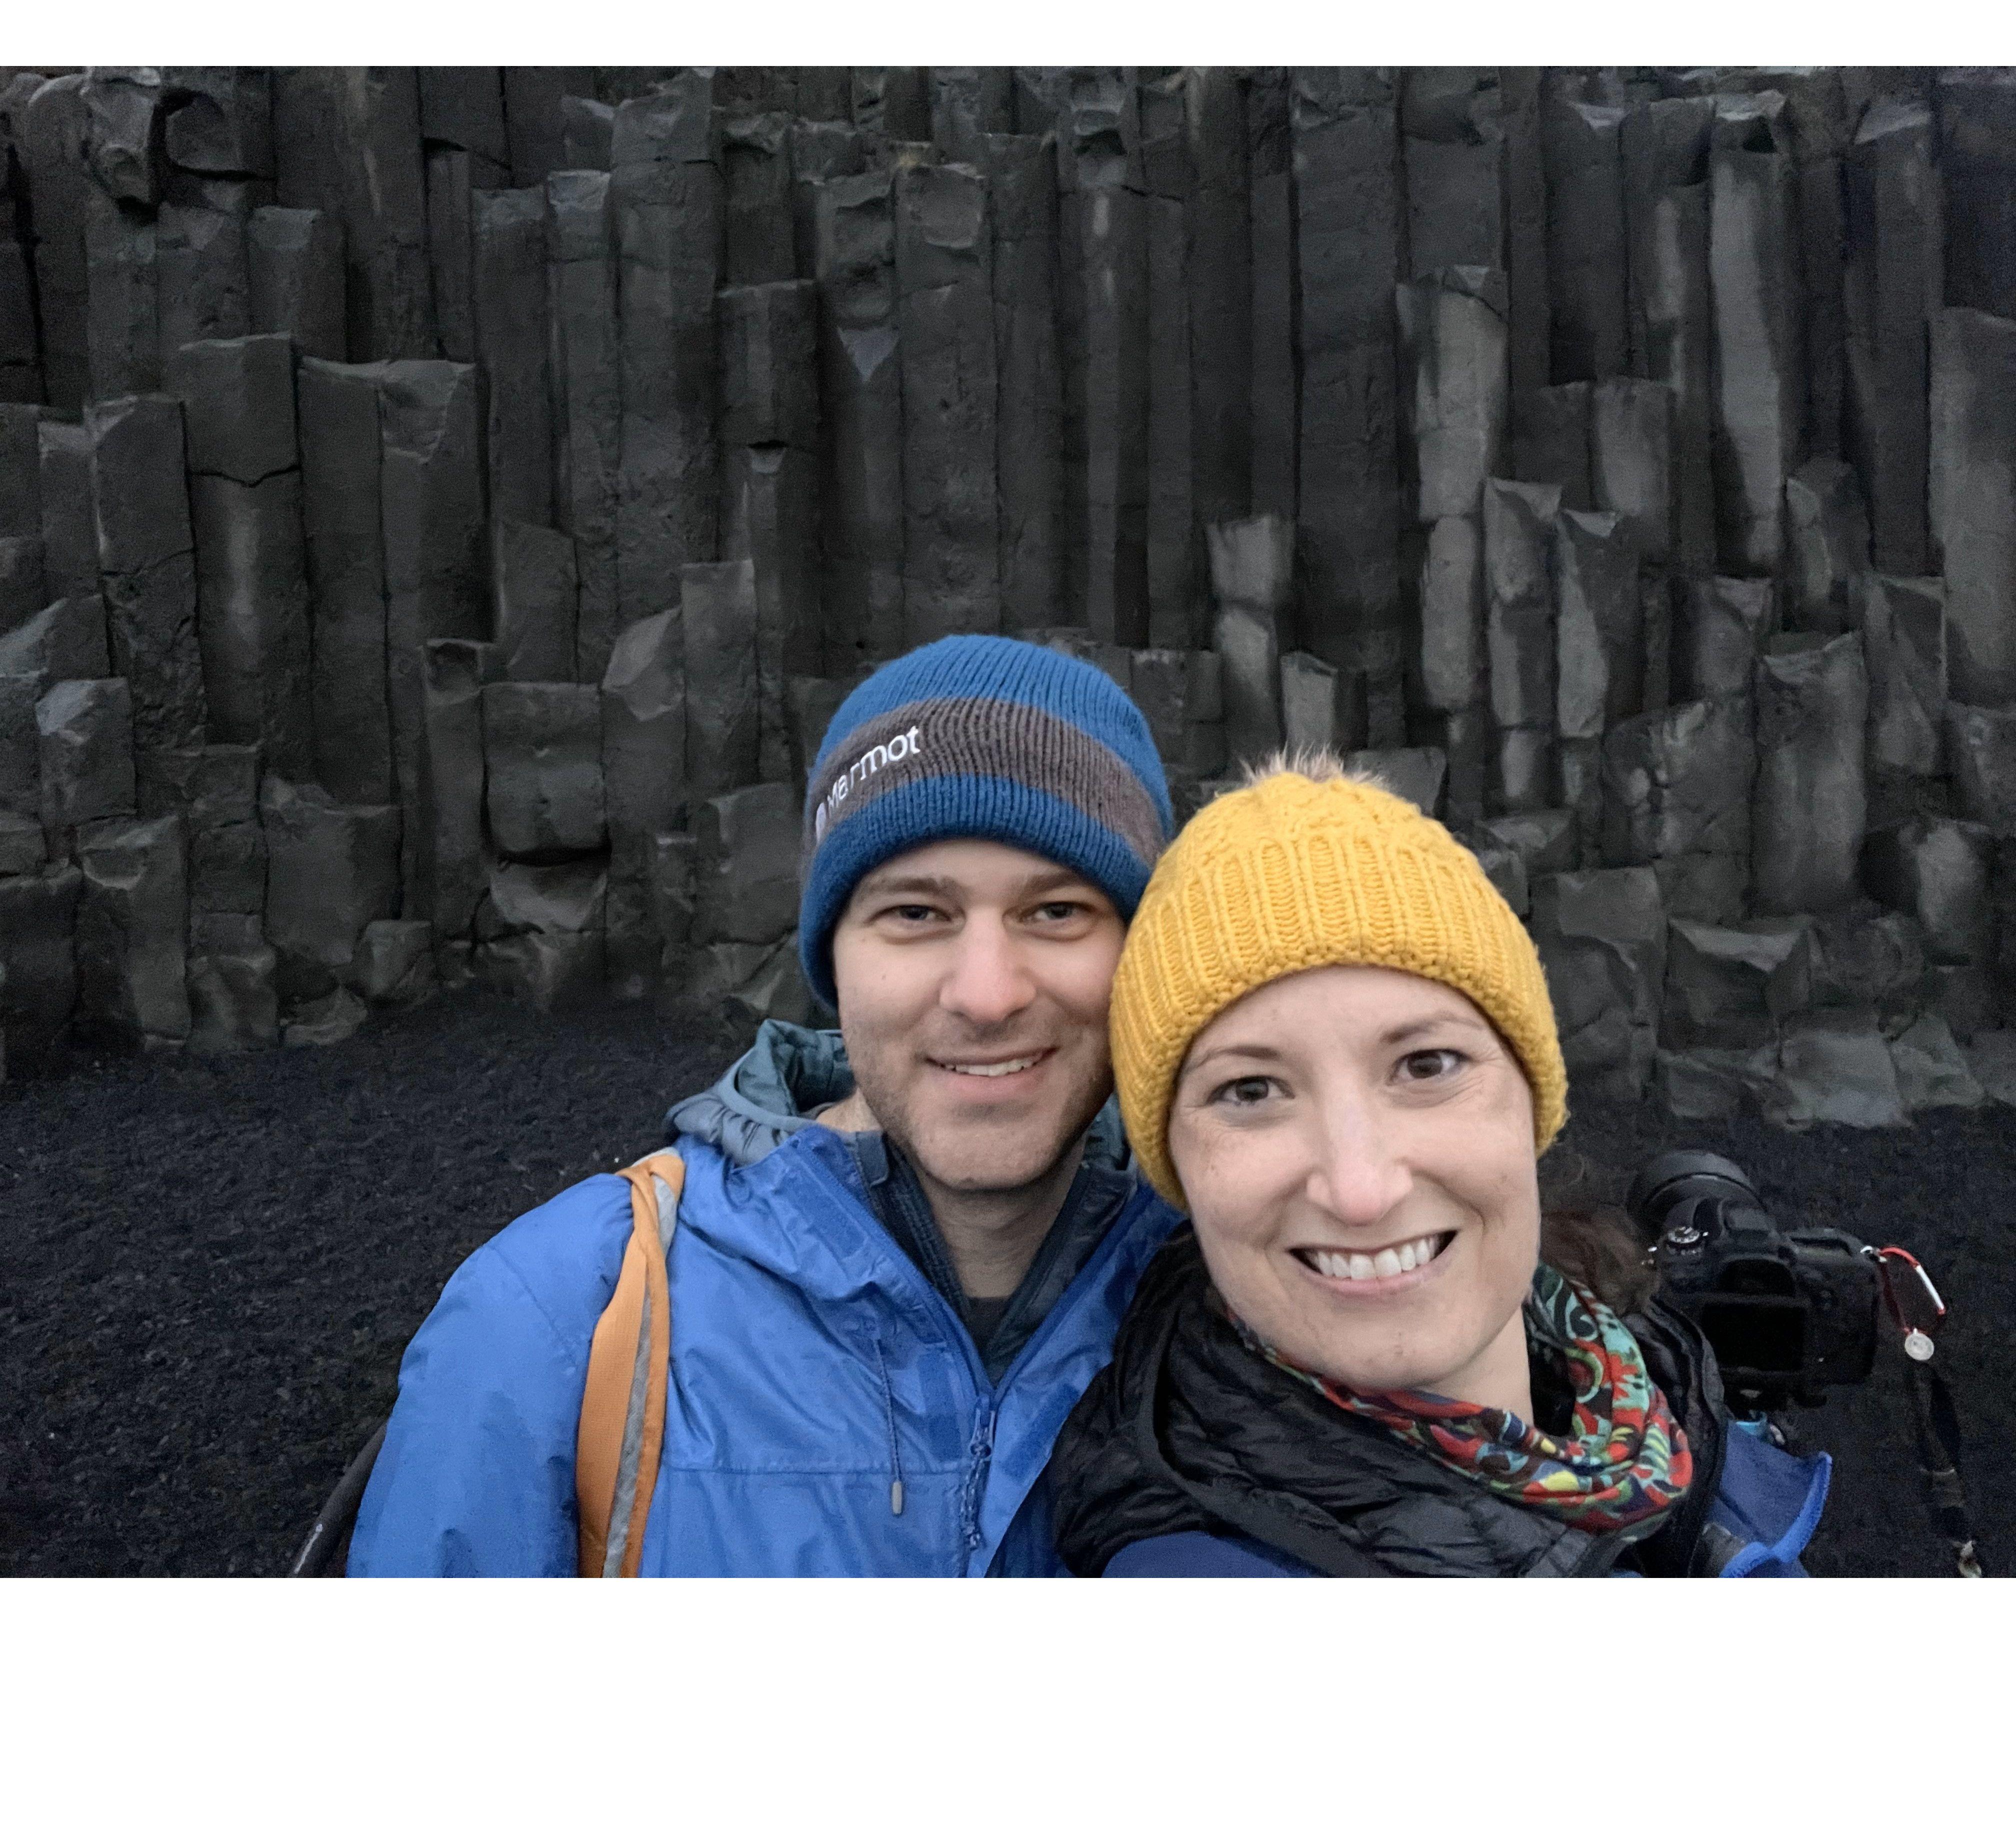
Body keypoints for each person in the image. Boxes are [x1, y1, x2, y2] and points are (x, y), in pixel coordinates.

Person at [347, 634, 1182, 1575]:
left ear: (1142, 956)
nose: (987, 995)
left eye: (1057, 911)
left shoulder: (1248, 1302)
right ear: (834, 960)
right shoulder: (554, 1326)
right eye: (915, 914)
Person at [1050, 755, 1832, 1578]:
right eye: (1250, 1089)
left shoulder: (1672, 1412)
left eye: (1426, 1066)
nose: (1360, 1189)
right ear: (1175, 1164)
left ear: (1534, 1099)